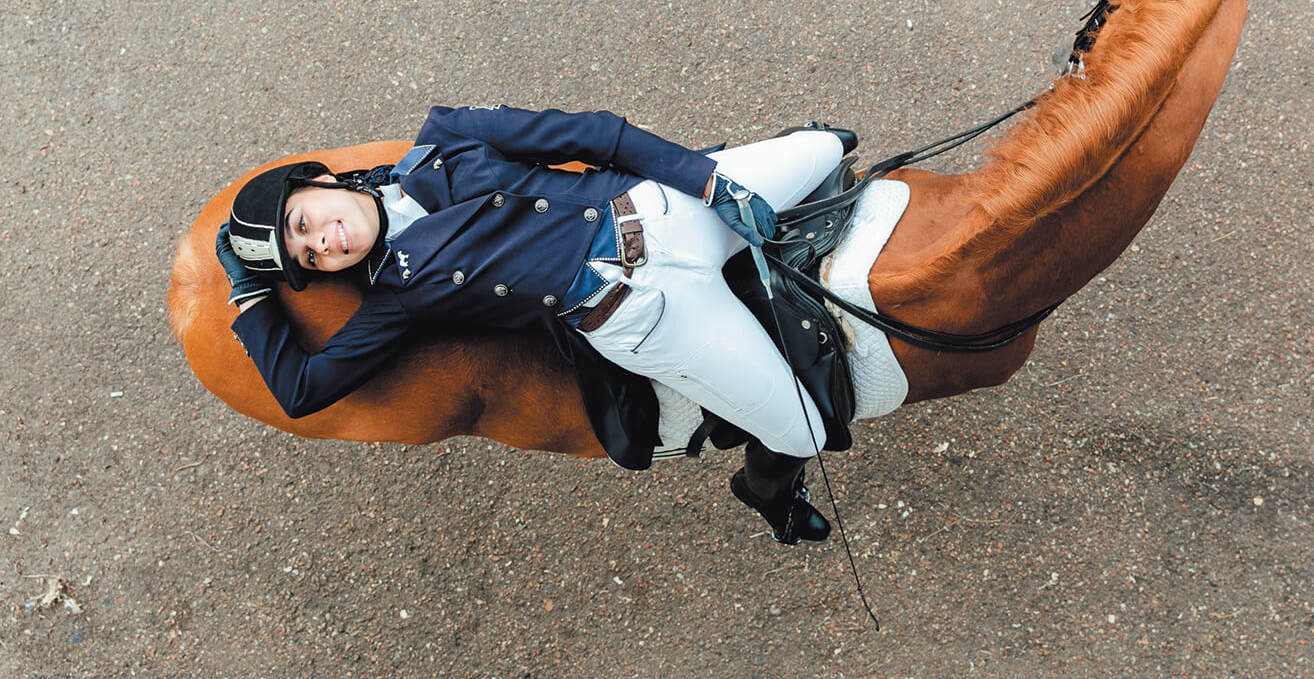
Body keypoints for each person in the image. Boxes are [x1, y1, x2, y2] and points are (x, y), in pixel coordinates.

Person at [214, 104, 851, 545]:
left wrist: (711, 183)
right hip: (643, 313)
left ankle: (743, 174)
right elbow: (303, 391)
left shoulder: (446, 133)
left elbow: (595, 136)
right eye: (311, 260)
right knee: (806, 430)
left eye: (305, 224)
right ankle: (765, 490)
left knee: (827, 147)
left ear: (319, 180)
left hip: (666, 209)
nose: (326, 244)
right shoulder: (397, 294)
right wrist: (251, 295)